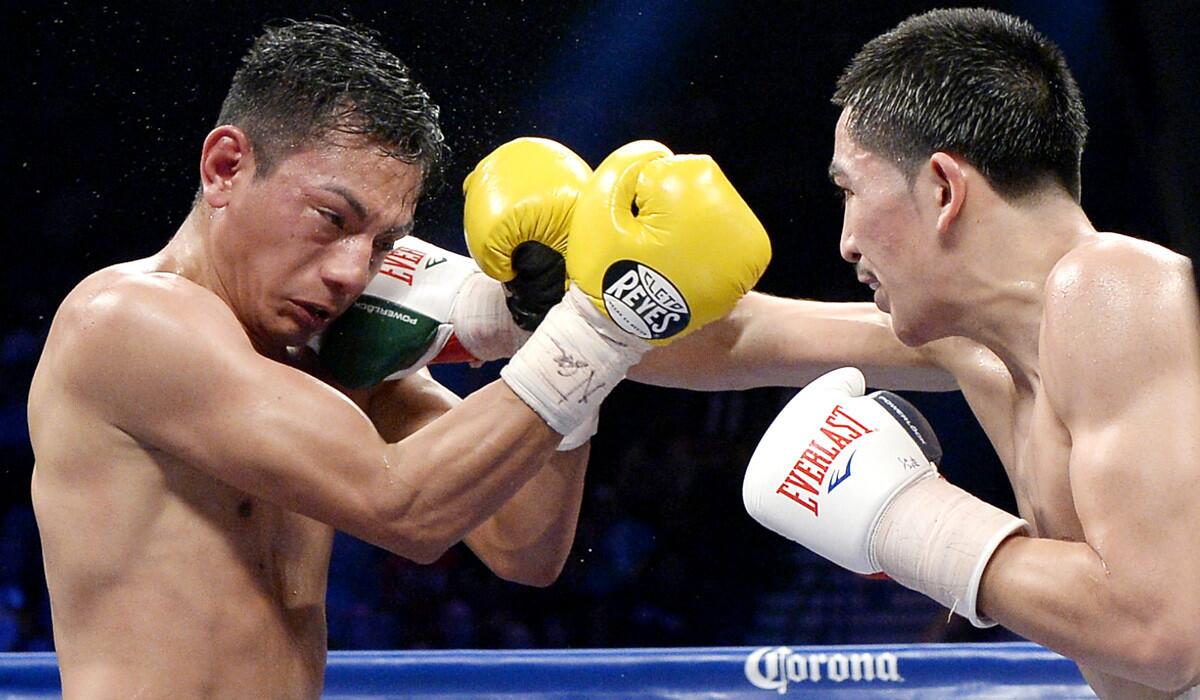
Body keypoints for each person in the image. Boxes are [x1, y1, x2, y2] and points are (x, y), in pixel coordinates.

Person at [26, 18, 770, 699]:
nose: (354, 271)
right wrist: (596, 327)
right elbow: (405, 506)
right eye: (332, 217)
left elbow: (527, 544)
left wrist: (549, 324)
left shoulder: (328, 350)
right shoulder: (123, 323)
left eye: (382, 242)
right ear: (225, 167)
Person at [632, 8, 1200, 699]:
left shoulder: (1114, 290)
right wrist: (523, 311)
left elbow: (1160, 632)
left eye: (849, 190)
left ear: (941, 188)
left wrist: (902, 517)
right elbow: (737, 337)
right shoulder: (984, 345)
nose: (846, 242)